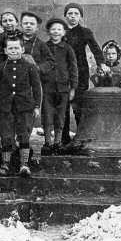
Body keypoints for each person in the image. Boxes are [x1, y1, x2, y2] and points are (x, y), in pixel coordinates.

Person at [0, 37, 42, 177]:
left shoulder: (30, 67)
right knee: (6, 135)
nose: (13, 51)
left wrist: (37, 106)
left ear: (22, 49)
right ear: (5, 50)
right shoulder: (0, 67)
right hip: (5, 107)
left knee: (24, 135)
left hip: (25, 107)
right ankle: (5, 164)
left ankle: (24, 164)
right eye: (10, 48)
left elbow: (36, 89)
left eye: (16, 48)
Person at [61, 3, 106, 145]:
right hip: (63, 72)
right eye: (69, 13)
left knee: (79, 104)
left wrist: (102, 63)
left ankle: (81, 137)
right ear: (65, 16)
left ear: (80, 16)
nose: (72, 16)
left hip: (80, 71)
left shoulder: (85, 32)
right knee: (63, 105)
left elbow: (95, 48)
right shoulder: (60, 30)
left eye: (76, 14)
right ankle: (64, 138)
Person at [41, 17, 78, 155]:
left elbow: (73, 68)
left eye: (59, 29)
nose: (56, 32)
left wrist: (73, 87)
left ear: (63, 32)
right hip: (47, 88)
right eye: (53, 29)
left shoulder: (68, 49)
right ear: (49, 31)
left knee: (61, 115)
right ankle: (47, 143)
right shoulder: (44, 47)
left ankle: (57, 142)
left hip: (63, 89)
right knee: (47, 115)